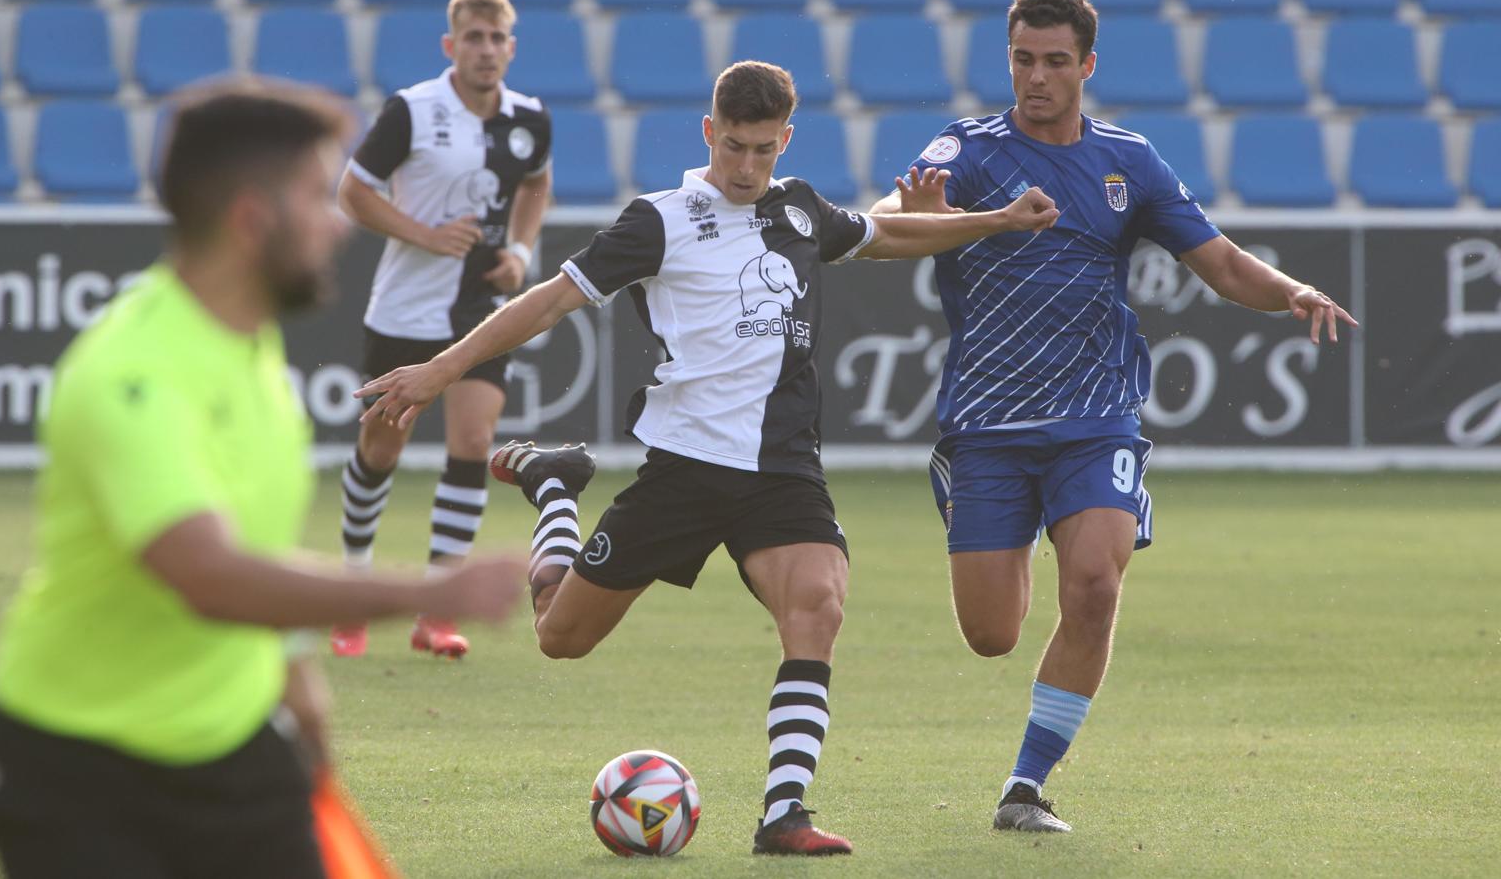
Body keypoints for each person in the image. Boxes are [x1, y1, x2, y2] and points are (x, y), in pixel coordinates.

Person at [356, 60, 1063, 856]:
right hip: (683, 470)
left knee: (819, 602)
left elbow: (885, 232)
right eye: (734, 147)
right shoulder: (659, 220)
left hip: (783, 470)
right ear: (708, 134)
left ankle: (784, 813)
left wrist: (996, 220)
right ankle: (555, 489)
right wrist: (441, 369)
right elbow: (549, 298)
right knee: (561, 636)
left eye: (764, 150)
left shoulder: (799, 210)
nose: (748, 166)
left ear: (785, 140)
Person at [0, 80, 527, 879]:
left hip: (234, 745)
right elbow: (211, 575)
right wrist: (433, 588)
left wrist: (303, 692)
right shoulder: (134, 371)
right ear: (248, 219)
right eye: (314, 195)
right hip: (76, 764)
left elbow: (260, 553)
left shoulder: (252, 348)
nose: (339, 225)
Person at [871, 0, 1357, 834]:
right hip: (986, 425)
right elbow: (881, 224)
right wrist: (939, 217)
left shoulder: (1129, 160)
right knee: (991, 633)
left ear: (1087, 65)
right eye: (1023, 59)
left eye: (1056, 61)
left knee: (1094, 582)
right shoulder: (970, 150)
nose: (1037, 77)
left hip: (1098, 416)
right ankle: (1000, 537)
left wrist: (1291, 290)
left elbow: (1222, 261)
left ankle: (1024, 785)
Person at [331, 0, 552, 661]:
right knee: (381, 448)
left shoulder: (530, 119)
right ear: (450, 46)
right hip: (405, 308)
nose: (486, 50)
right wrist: (424, 235)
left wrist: (518, 251)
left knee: (474, 438)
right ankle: (353, 593)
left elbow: (537, 183)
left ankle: (437, 609)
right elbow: (352, 192)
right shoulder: (413, 110)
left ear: (511, 47)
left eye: (497, 38)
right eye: (474, 38)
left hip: (479, 312)